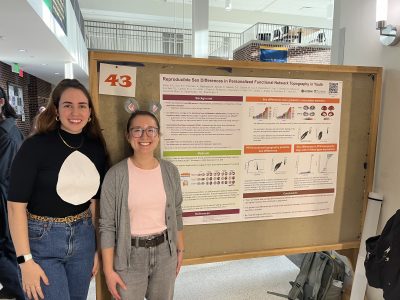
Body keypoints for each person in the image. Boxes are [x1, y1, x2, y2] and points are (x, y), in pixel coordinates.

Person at [7, 79, 108, 300]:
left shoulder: (96, 147)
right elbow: (15, 207)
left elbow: (95, 202)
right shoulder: (34, 147)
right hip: (42, 240)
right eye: (67, 105)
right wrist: (25, 261)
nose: (75, 111)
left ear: (90, 111)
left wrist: (98, 249)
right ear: (56, 110)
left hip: (84, 237)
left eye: (82, 105)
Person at [100, 110, 184, 300]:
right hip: (129, 255)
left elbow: (177, 212)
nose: (144, 136)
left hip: (165, 252)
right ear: (128, 135)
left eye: (151, 130)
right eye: (137, 130)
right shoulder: (115, 176)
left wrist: (180, 250)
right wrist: (108, 270)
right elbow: (107, 226)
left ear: (158, 135)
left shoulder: (170, 172)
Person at [0, 86, 25, 300]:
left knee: (5, 248)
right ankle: (14, 287)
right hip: (11, 198)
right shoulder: (12, 129)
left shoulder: (5, 134)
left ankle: (19, 289)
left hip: (4, 198)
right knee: (9, 247)